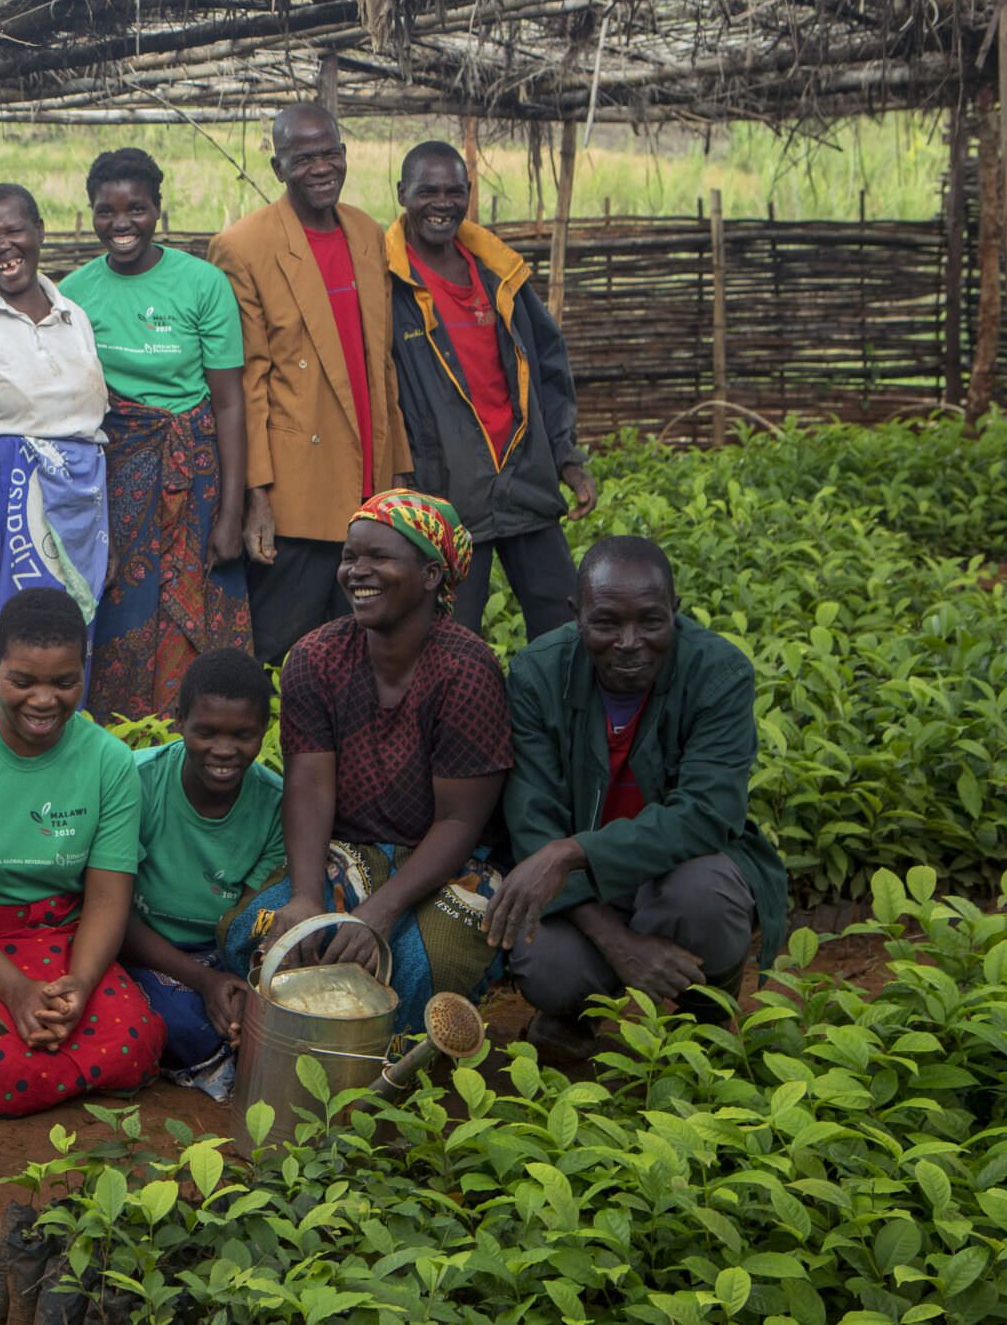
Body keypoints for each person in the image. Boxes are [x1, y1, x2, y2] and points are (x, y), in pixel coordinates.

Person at [488, 537, 789, 1062]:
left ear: (673, 611)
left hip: (677, 874)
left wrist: (571, 853)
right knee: (546, 965)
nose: (630, 642)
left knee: (702, 898)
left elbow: (706, 813)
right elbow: (534, 825)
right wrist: (620, 944)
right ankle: (573, 1015)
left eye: (651, 622)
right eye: (606, 623)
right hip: (585, 895)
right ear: (575, 615)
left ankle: (707, 1002)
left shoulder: (718, 672)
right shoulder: (539, 673)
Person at [221, 491, 511, 1029]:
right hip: (347, 853)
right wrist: (307, 895)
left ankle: (386, 1085)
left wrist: (382, 910)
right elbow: (309, 788)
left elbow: (459, 820)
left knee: (421, 967)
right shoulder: (316, 657)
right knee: (263, 933)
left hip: (445, 864)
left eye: (379, 558)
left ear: (430, 574)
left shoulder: (467, 670)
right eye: (351, 557)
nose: (358, 571)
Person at [0, 589, 162, 1118]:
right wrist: (15, 991)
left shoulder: (110, 762)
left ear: (84, 669)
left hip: (63, 939)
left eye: (65, 682)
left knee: (135, 1041)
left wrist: (77, 985)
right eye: (23, 681)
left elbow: (105, 899)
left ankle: (46, 1071)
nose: (44, 700)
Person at [208, 105, 411, 666]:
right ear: (278, 167)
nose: (322, 168)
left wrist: (397, 469)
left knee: (362, 651)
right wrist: (258, 494)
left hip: (368, 484)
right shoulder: (244, 246)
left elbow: (382, 362)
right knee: (285, 650)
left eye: (331, 153)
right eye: (304, 158)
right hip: (298, 492)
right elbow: (249, 377)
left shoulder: (367, 231)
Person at [60, 149, 254, 720]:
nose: (122, 224)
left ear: (159, 211)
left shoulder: (202, 283)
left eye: (137, 209)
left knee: (201, 612)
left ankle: (194, 733)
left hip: (195, 474)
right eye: (107, 211)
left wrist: (230, 511)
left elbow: (228, 403)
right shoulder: (75, 293)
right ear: (91, 214)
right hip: (115, 474)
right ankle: (121, 735)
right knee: (122, 606)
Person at [386, 141, 596, 637]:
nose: (443, 203)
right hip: (445, 490)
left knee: (565, 625)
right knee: (449, 638)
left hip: (524, 475)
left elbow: (548, 366)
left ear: (469, 194)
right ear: (402, 195)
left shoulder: (500, 272)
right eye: (428, 191)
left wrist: (566, 456)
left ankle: (555, 715)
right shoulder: (387, 282)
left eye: (455, 191)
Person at [0, 182, 110, 711]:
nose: (3, 246)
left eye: (14, 231)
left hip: (78, 508)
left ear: (40, 232)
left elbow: (88, 425)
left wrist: (104, 533)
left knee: (62, 645)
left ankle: (54, 769)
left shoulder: (72, 314)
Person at [118, 649, 285, 1100]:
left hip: (222, 949)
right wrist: (204, 982)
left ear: (265, 730)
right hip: (142, 946)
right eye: (206, 732)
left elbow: (250, 919)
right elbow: (113, 916)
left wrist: (236, 983)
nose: (224, 750)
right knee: (178, 1022)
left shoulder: (275, 804)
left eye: (243, 735)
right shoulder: (138, 782)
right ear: (179, 722)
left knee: (258, 1013)